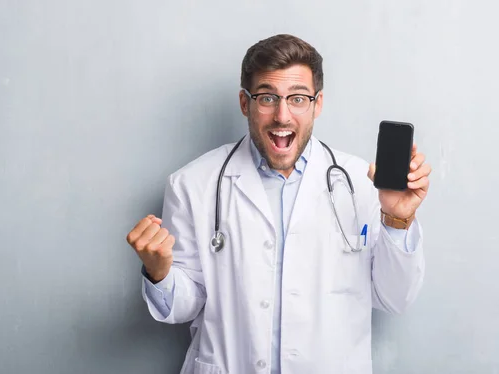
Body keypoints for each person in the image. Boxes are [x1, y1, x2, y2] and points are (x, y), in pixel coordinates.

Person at [126, 34, 431, 374]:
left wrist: (397, 220)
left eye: (298, 98)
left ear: (317, 104)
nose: (282, 116)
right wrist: (160, 272)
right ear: (245, 103)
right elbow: (185, 304)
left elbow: (394, 298)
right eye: (268, 97)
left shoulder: (362, 183)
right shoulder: (192, 184)